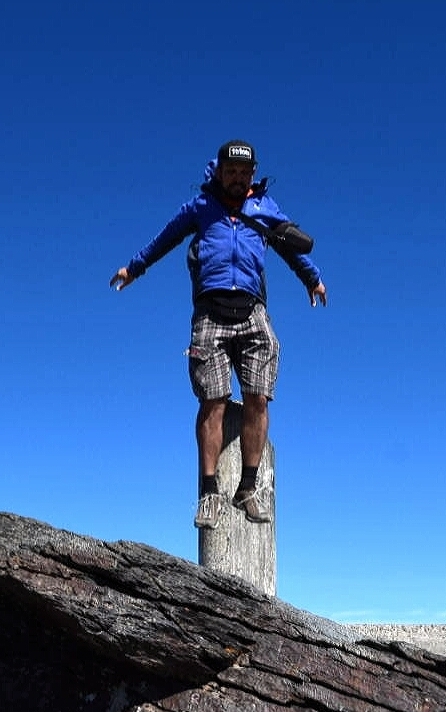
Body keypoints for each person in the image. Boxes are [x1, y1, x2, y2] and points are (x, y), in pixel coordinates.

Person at [110, 139, 326, 530]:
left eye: (244, 173)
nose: (238, 178)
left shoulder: (264, 208)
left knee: (258, 398)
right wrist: (134, 268)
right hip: (210, 312)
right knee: (213, 400)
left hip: (253, 310)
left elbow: (290, 246)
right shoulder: (201, 208)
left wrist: (312, 279)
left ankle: (247, 487)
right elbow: (166, 238)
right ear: (220, 172)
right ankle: (209, 493)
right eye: (231, 172)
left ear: (253, 174)